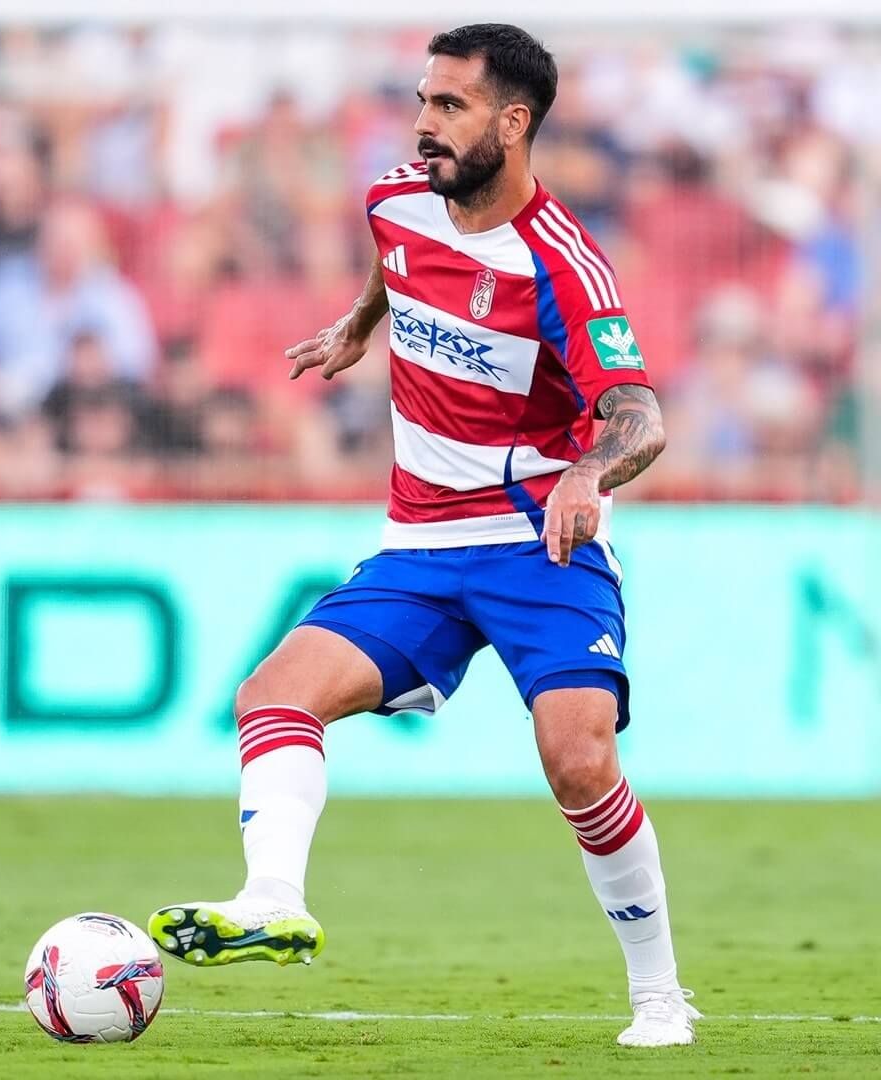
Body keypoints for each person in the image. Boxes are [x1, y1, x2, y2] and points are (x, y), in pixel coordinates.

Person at [148, 24, 695, 1048]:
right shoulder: (397, 195)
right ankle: (273, 897)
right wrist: (361, 326)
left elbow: (642, 418)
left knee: (578, 762)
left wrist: (585, 472)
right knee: (269, 695)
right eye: (423, 99)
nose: (423, 123)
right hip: (421, 545)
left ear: (514, 122)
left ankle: (659, 994)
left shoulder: (564, 265)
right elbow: (394, 261)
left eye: (449, 106)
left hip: (541, 544)